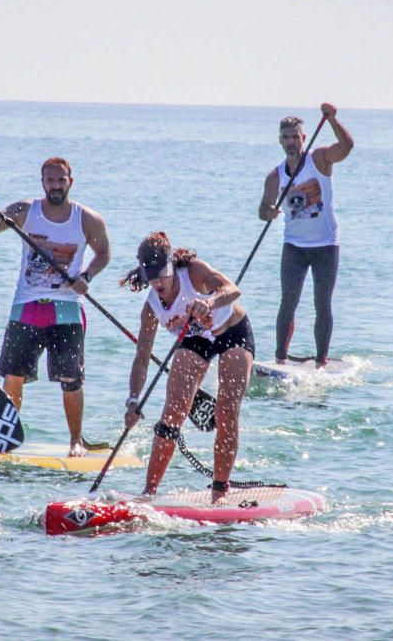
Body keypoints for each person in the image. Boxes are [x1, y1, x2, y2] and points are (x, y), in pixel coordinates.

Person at [0, 157, 110, 457]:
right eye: (50, 180)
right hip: (27, 305)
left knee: (71, 380)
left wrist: (86, 276)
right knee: (13, 376)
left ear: (71, 181)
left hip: (67, 308)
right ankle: (4, 440)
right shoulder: (24, 212)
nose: (55, 186)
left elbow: (104, 253)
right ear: (42, 182)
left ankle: (76, 441)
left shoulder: (87, 219)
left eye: (61, 180)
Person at [122, 232, 254, 503]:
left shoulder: (193, 272)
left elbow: (232, 290)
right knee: (172, 413)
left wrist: (209, 303)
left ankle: (219, 492)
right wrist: (133, 400)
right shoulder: (151, 309)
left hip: (232, 333)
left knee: (226, 410)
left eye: (163, 274)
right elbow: (142, 357)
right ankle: (148, 492)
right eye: (153, 276)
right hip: (195, 340)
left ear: (172, 266)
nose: (159, 282)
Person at [258, 103, 354, 368]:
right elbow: (262, 209)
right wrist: (269, 212)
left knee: (322, 303)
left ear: (303, 137)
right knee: (288, 301)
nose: (291, 142)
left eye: (295, 136)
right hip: (294, 247)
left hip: (326, 246)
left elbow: (346, 147)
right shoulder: (275, 177)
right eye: (286, 137)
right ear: (280, 141)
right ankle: (280, 358)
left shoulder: (319, 159)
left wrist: (333, 119)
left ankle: (321, 361)